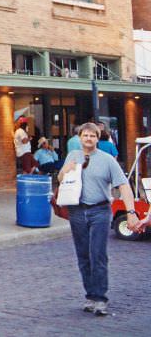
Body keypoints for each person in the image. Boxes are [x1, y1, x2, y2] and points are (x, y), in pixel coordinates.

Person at [57, 122, 139, 316]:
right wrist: (65, 170)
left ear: (98, 138)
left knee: (98, 254)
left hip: (100, 211)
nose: (88, 139)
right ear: (79, 138)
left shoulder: (107, 160)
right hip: (77, 210)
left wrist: (131, 212)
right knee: (83, 255)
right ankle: (90, 295)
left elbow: (124, 186)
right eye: (85, 135)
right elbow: (61, 179)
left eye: (92, 136)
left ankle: (101, 298)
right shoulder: (73, 156)